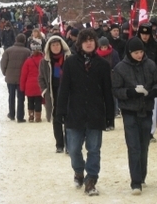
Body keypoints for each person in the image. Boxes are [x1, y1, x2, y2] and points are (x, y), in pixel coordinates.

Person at [56, 28, 114, 196]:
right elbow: (64, 89)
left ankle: (91, 180)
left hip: (96, 113)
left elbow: (107, 92)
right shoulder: (70, 63)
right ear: (80, 43)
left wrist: (110, 116)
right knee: (73, 148)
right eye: (85, 40)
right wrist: (60, 112)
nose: (89, 43)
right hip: (75, 113)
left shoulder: (103, 65)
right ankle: (79, 171)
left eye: (91, 40)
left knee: (94, 149)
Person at [112, 37, 157, 195]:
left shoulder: (150, 64)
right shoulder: (120, 68)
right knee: (133, 146)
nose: (139, 55)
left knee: (144, 145)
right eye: (136, 53)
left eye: (141, 52)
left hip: (146, 109)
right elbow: (115, 89)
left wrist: (154, 91)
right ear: (129, 52)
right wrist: (130, 93)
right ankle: (135, 181)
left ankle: (142, 176)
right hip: (129, 111)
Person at [38, 35, 72, 152]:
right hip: (53, 93)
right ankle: (59, 144)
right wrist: (44, 91)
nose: (56, 47)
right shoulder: (45, 61)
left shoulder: (69, 58)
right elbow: (41, 77)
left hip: (68, 92)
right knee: (56, 118)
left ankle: (69, 144)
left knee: (69, 118)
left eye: (57, 44)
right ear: (49, 47)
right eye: (53, 45)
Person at [0, 34, 31, 123]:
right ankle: (20, 116)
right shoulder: (27, 51)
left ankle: (12, 114)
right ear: (24, 41)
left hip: (10, 77)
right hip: (22, 78)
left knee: (11, 96)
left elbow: (3, 63)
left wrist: (5, 72)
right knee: (21, 97)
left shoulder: (8, 50)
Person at [96, 36, 121, 125]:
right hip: (99, 78)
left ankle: (115, 111)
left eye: (105, 47)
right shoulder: (96, 53)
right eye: (102, 47)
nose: (103, 49)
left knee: (112, 97)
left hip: (111, 77)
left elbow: (117, 65)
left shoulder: (114, 53)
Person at [20, 41, 44, 122]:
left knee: (30, 101)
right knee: (38, 101)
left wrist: (22, 87)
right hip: (39, 85)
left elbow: (24, 75)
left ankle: (31, 116)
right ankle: (38, 117)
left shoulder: (28, 61)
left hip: (29, 85)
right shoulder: (43, 60)